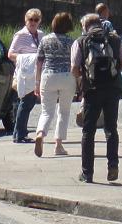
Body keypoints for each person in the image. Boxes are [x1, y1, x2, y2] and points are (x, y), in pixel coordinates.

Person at [72, 12, 122, 184]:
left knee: (88, 131)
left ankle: (87, 173)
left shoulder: (80, 42)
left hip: (92, 89)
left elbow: (74, 68)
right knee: (111, 128)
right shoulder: (115, 39)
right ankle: (113, 165)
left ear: (84, 26)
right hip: (112, 89)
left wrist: (83, 78)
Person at [34, 11, 78, 158]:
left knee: (46, 111)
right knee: (63, 112)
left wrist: (37, 82)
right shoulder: (72, 42)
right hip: (67, 76)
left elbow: (39, 62)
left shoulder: (45, 40)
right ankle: (58, 145)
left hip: (48, 76)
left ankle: (40, 133)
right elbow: (76, 63)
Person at [8, 9, 44, 143]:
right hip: (25, 75)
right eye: (31, 19)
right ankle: (20, 134)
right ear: (26, 20)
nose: (33, 22)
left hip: (37, 74)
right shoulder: (20, 35)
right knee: (25, 102)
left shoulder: (41, 35)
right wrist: (28, 58)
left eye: (36, 20)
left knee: (29, 103)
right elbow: (10, 54)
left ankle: (19, 133)